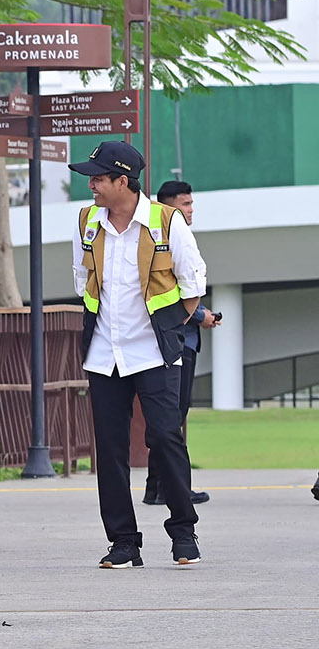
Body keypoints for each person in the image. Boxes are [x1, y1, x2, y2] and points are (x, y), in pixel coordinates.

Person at [65, 142, 206, 569]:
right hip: (104, 353)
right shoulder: (88, 220)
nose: (90, 185)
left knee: (164, 437)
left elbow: (193, 282)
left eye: (98, 178)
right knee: (109, 450)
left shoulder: (166, 221)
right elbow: (80, 279)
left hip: (154, 353)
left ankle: (183, 530)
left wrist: (167, 331)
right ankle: (123, 541)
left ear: (121, 181)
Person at [145, 179, 216, 507]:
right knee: (170, 418)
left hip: (181, 338)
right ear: (170, 207)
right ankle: (172, 489)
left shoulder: (175, 235)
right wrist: (201, 315)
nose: (191, 211)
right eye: (185, 204)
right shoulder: (163, 237)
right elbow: (171, 289)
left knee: (171, 418)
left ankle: (157, 486)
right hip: (176, 339)